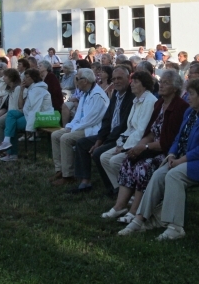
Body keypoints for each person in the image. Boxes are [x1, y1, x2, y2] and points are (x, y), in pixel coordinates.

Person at [118, 78, 199, 240]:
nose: (188, 97)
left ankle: (175, 227)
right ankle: (139, 219)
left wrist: (180, 160)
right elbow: (179, 138)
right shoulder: (190, 112)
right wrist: (171, 154)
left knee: (174, 175)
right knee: (158, 175)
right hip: (185, 159)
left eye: (191, 94)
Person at [102, 70, 189, 223]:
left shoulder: (180, 107)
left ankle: (135, 210)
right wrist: (138, 147)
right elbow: (150, 132)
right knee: (129, 160)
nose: (161, 85)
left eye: (166, 83)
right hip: (152, 147)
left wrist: (145, 148)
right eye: (161, 82)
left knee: (143, 167)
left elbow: (168, 142)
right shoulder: (160, 103)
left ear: (175, 88)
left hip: (168, 152)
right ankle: (119, 206)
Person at [71, 66, 134, 195]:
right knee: (82, 143)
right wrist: (99, 140)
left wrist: (104, 142)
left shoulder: (131, 97)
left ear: (128, 79)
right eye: (114, 79)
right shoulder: (116, 94)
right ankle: (85, 181)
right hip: (110, 135)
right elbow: (107, 119)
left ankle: (113, 188)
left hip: (122, 137)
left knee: (98, 152)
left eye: (120, 78)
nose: (116, 81)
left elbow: (123, 125)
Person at [99, 71, 157, 202]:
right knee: (104, 157)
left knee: (114, 161)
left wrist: (124, 147)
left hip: (141, 143)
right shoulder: (136, 100)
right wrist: (120, 144)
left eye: (136, 82)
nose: (132, 84)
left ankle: (130, 193)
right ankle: (121, 191)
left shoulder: (150, 101)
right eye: (132, 81)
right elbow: (129, 128)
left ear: (144, 85)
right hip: (130, 140)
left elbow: (141, 131)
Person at [50, 68, 110, 185]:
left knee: (66, 138)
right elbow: (78, 116)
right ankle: (60, 169)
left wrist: (72, 129)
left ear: (85, 81)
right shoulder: (85, 93)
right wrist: (69, 126)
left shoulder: (97, 95)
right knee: (55, 135)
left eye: (77, 78)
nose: (75, 81)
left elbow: (90, 120)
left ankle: (68, 175)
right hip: (81, 126)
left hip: (92, 129)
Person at [0, 68, 53, 161]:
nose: (24, 79)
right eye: (24, 77)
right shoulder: (31, 89)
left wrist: (30, 127)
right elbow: (20, 106)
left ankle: (11, 152)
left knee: (12, 124)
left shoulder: (38, 90)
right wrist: (21, 90)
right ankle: (7, 143)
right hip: (29, 114)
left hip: (40, 116)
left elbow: (35, 109)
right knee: (11, 114)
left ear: (33, 78)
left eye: (27, 77)